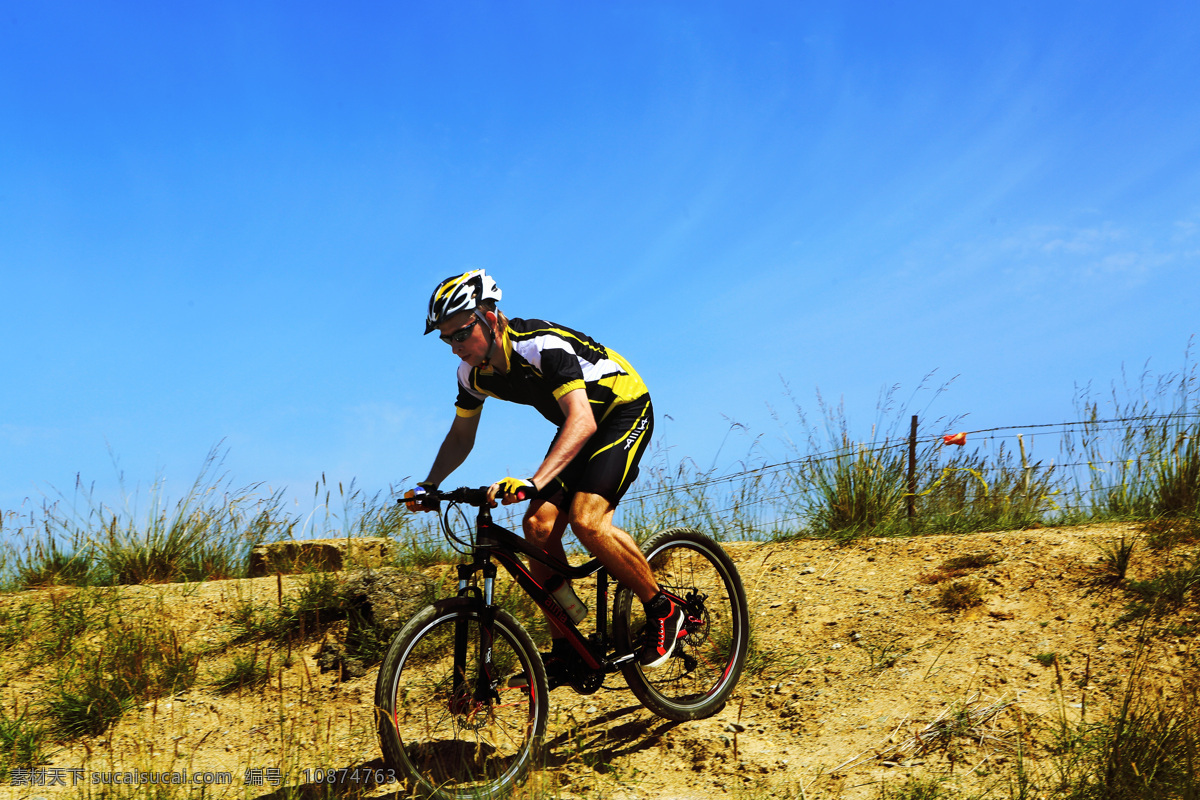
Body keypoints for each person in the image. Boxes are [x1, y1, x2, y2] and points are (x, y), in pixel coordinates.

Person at [406, 269, 682, 682]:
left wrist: (535, 482)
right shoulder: (472, 375)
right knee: (536, 527)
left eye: (461, 334)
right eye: (447, 339)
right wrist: (429, 485)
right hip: (579, 426)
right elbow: (461, 435)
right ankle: (568, 648)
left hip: (620, 411)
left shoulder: (540, 345)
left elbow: (582, 420)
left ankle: (664, 609)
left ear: (490, 317)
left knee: (587, 520)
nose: (454, 347)